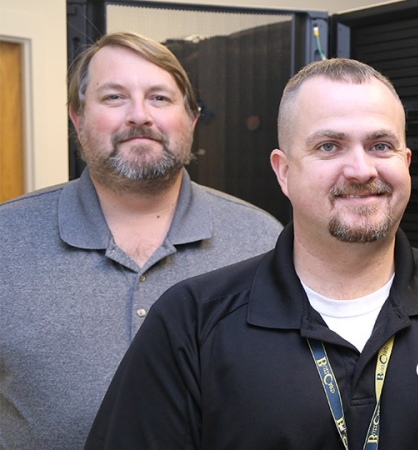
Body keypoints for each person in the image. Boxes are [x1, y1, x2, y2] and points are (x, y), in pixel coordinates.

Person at [84, 58, 418, 449]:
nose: (361, 169)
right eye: (329, 146)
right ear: (283, 171)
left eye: (381, 145)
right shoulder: (194, 320)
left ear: (407, 163)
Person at [0, 31, 282, 450]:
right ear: (77, 118)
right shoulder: (7, 239)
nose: (139, 116)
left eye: (160, 98)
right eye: (114, 97)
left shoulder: (264, 240)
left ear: (191, 119)